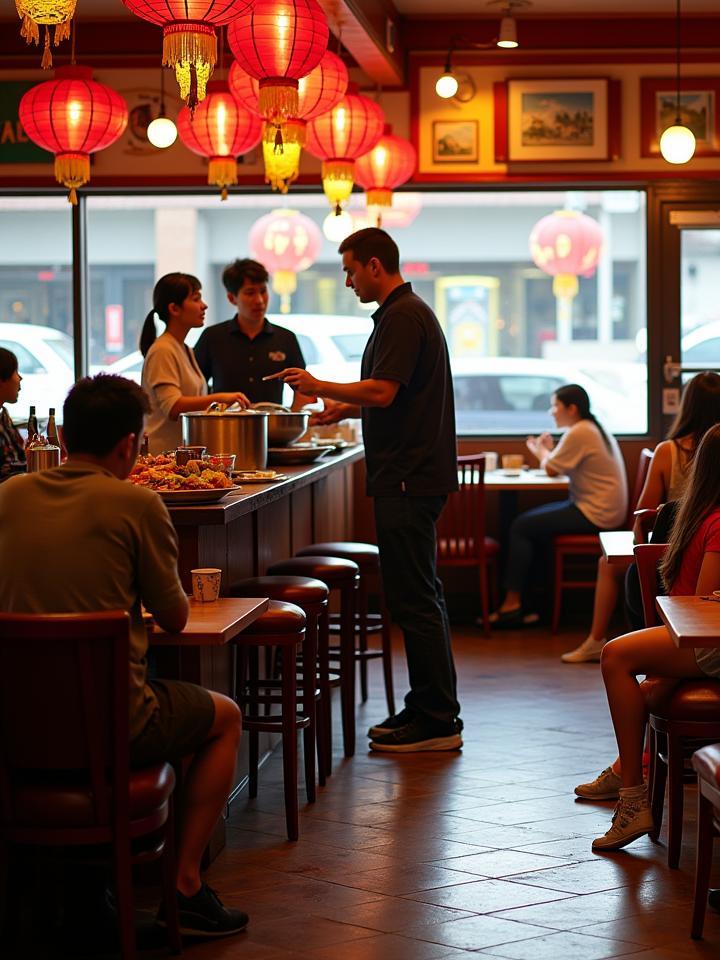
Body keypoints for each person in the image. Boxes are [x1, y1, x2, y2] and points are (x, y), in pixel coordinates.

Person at [0, 375, 248, 938]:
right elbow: (178, 618)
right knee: (224, 717)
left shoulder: (8, 495)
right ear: (131, 446)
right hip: (116, 722)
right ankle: (184, 886)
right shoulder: (137, 503)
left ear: (62, 435)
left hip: (13, 723)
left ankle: (63, 891)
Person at [270, 227, 462, 753]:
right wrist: (344, 406)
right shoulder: (404, 312)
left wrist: (319, 386)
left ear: (375, 265)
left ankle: (438, 720)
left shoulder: (402, 315)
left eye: (351, 270)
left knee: (415, 598)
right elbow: (393, 396)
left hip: (407, 476)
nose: (348, 281)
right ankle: (429, 705)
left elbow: (384, 389)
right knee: (420, 595)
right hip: (410, 473)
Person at [576, 423, 720, 852]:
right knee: (622, 662)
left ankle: (631, 796)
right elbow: (705, 606)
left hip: (710, 641)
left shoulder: (717, 518)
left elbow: (701, 606)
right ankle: (630, 788)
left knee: (615, 658)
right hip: (707, 638)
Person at [562, 371, 720, 662]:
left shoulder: (672, 451)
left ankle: (596, 638)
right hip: (705, 605)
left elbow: (643, 515)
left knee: (607, 564)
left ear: (688, 406)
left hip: (671, 556)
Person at [490, 383, 628, 628]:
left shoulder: (580, 432)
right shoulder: (589, 428)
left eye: (555, 406)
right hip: (601, 508)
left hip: (596, 513)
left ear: (571, 408)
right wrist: (548, 452)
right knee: (531, 529)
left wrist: (541, 451)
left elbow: (552, 469)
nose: (551, 412)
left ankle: (512, 603)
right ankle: (533, 605)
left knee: (521, 526)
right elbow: (558, 466)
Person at [139, 272, 250, 455]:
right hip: (162, 459)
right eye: (196, 299)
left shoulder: (184, 349)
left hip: (181, 457)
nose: (204, 306)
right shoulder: (163, 350)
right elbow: (173, 407)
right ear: (174, 309)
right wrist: (220, 398)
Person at [193, 258, 315, 409]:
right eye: (250, 293)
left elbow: (303, 390)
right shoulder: (212, 337)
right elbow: (194, 387)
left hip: (272, 427)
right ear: (232, 298)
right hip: (224, 428)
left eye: (263, 291)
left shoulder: (286, 338)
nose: (259, 300)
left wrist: (293, 420)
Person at [0, 346, 26, 478]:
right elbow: (6, 471)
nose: (20, 378)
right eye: (15, 371)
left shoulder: (3, 415)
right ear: (2, 379)